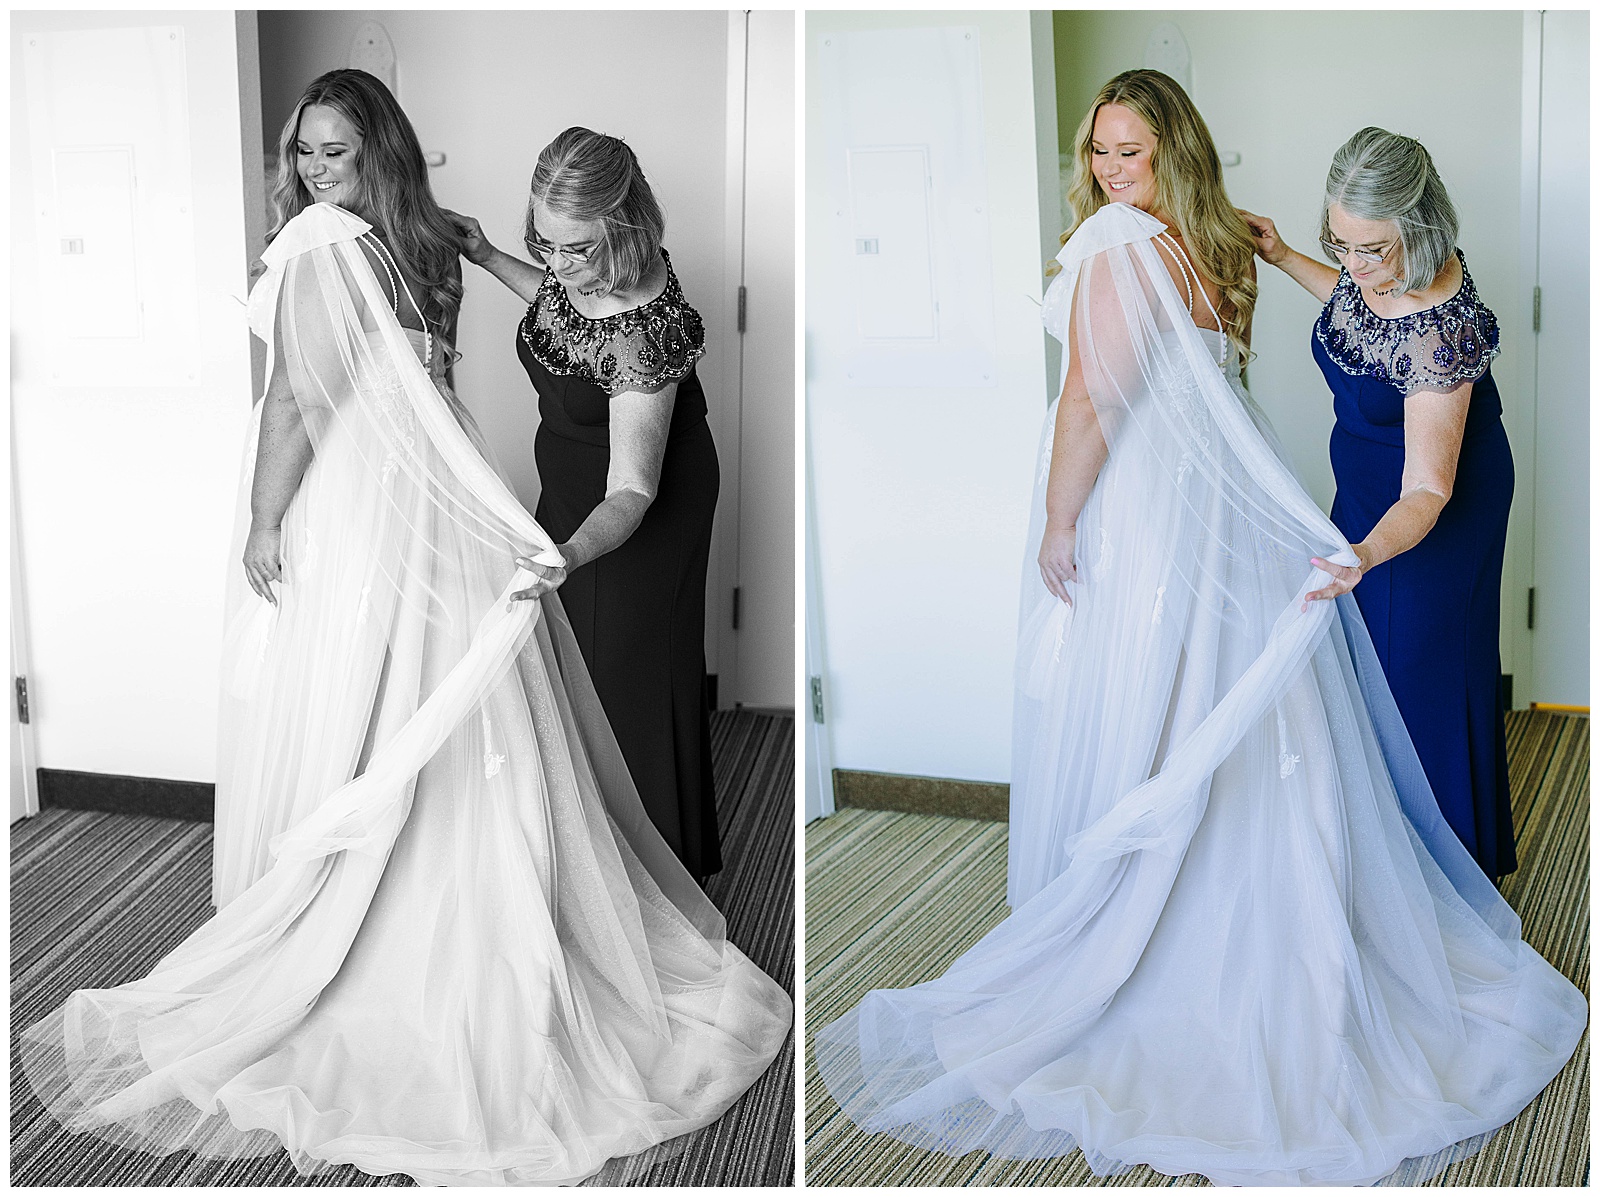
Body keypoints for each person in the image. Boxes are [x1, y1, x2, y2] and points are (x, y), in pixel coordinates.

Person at [21, 69, 791, 1187]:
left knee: (612, 681)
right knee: (510, 699)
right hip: (502, 490)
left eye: (336, 153)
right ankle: (596, 889)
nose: (315, 172)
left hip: (606, 508)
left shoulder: (621, 318)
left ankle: (632, 892)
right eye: (304, 153)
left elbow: (301, 399)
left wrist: (264, 516)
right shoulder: (425, 245)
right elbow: (546, 316)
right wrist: (489, 253)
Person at [814, 70, 1583, 1186]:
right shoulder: (1218, 247)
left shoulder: (1157, 255)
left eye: (1129, 152)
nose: (1107, 172)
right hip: (1291, 492)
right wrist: (1284, 256)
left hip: (1387, 507)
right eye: (1097, 152)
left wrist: (1057, 517)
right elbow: (1341, 316)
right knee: (1292, 704)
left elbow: (1093, 398)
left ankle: (1422, 880)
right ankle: (1393, 885)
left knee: (1401, 677)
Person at [1242, 128, 1516, 880]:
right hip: (1368, 486)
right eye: (1339, 242)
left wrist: (1363, 552)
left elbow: (1428, 487)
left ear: (1418, 228)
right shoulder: (1369, 274)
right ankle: (1385, 852)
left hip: (1431, 505)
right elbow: (1358, 310)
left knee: (1421, 673)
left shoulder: (1440, 327)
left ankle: (1446, 874)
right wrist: (1283, 256)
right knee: (1374, 674)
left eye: (1372, 249)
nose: (1353, 265)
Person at [448, 129, 722, 879]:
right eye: (544, 241)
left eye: (577, 249)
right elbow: (561, 312)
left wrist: (567, 551)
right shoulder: (572, 270)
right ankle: (583, 852)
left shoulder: (643, 326)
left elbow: (633, 487)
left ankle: (653, 872)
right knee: (573, 672)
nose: (557, 265)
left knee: (628, 678)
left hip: (637, 506)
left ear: (622, 226)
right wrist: (487, 255)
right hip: (573, 484)